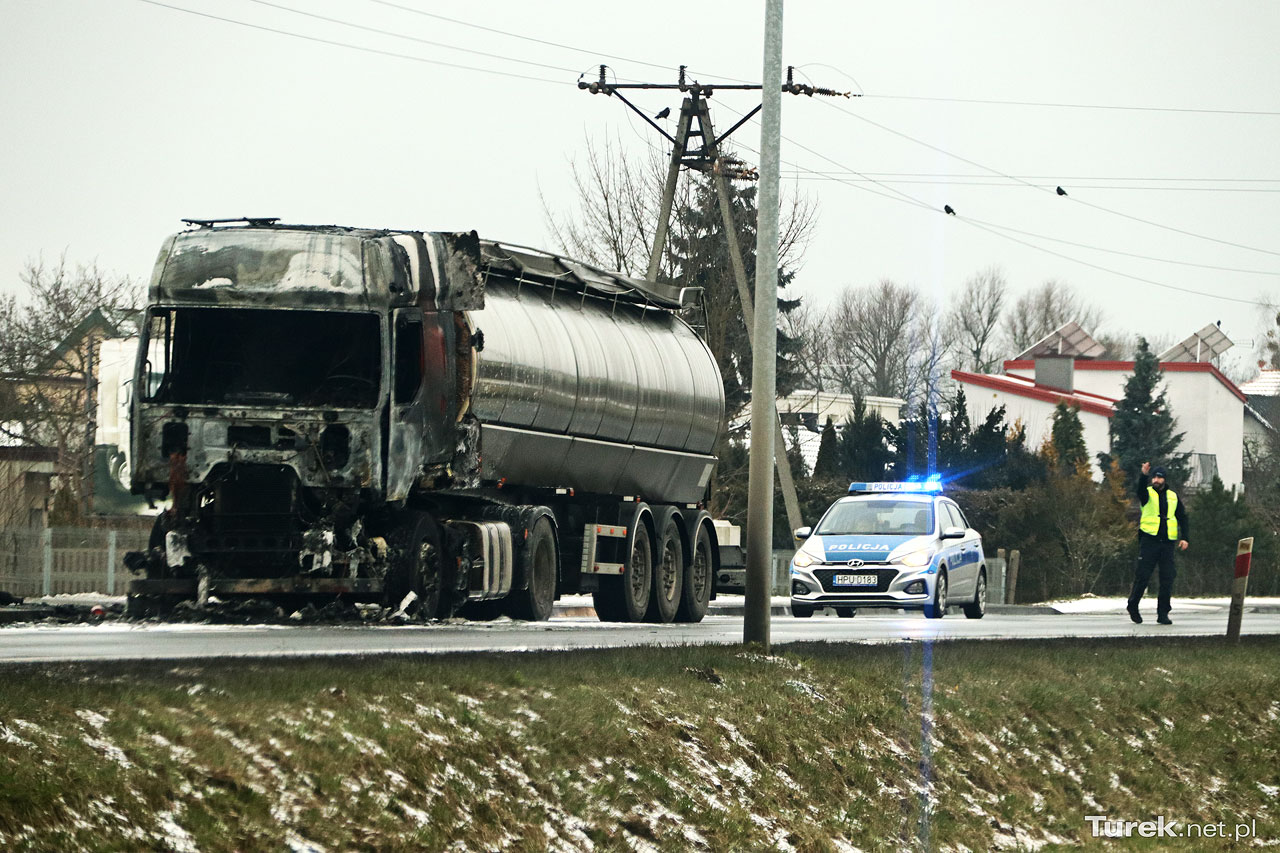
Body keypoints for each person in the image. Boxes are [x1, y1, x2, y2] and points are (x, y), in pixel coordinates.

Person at [1127, 461, 1189, 625]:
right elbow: (1139, 490)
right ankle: (1133, 605)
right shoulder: (1147, 494)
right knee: (1143, 576)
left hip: (1167, 543)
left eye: (1159, 478)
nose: (1156, 480)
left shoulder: (1173, 496)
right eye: (1154, 477)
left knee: (1167, 578)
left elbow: (1182, 517)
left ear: (1164, 480)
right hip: (1149, 541)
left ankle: (1163, 613)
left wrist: (1185, 537)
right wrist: (1143, 475)